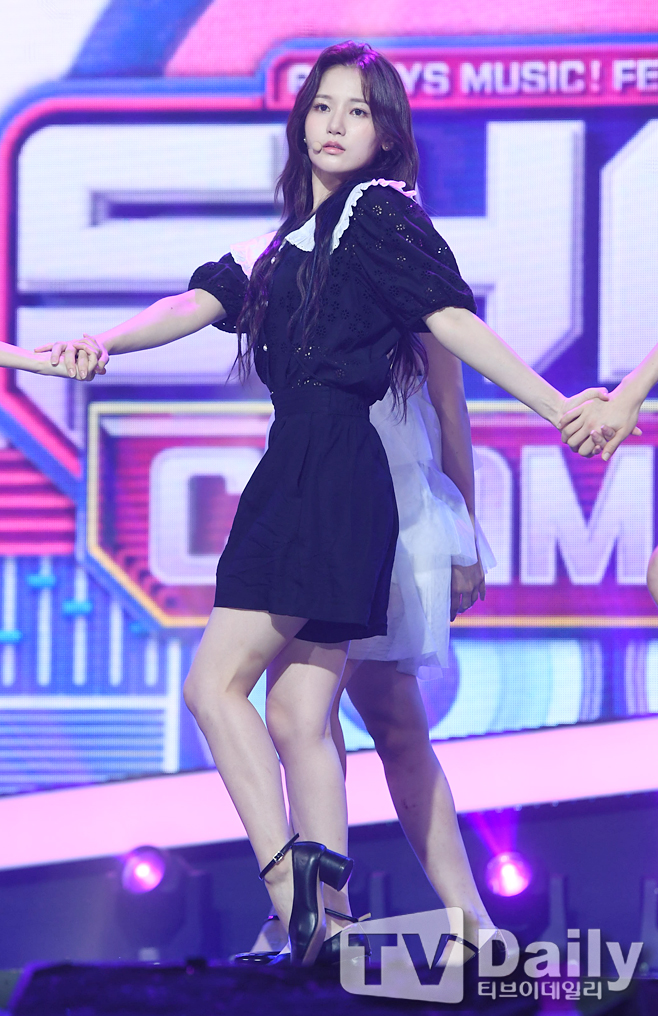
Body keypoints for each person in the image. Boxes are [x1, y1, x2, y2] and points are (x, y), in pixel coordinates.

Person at [38, 41, 608, 966]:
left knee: (215, 686)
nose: (336, 124)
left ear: (386, 135)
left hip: (329, 473)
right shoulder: (286, 249)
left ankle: (295, 895)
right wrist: (95, 345)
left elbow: (450, 331)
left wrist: (555, 408)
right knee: (298, 715)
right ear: (301, 121)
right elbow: (196, 303)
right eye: (322, 106)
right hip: (319, 472)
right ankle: (327, 925)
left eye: (359, 110)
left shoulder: (379, 215)